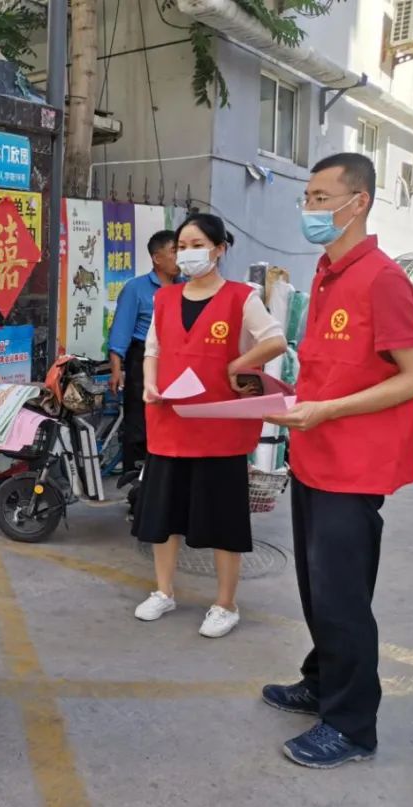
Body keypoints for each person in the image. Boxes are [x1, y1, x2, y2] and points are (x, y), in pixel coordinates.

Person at [262, 153, 413, 768]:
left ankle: (353, 725)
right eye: (306, 196)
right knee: (314, 589)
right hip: (314, 454)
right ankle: (321, 679)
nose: (309, 208)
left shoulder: (382, 278)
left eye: (319, 197)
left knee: (341, 598)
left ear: (357, 202)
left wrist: (329, 413)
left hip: (352, 467)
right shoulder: (329, 271)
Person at [132, 213, 286, 638]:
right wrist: (148, 383)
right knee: (163, 517)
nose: (187, 253)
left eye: (197, 244)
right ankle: (163, 592)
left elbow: (275, 339)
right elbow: (154, 349)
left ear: (219, 249)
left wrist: (239, 363)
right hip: (170, 421)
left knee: (223, 521)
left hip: (219, 427)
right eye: (182, 246)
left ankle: (225, 603)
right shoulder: (166, 298)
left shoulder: (241, 297)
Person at [107, 229, 180, 474]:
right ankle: (135, 490)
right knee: (139, 423)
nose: (179, 256)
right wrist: (117, 369)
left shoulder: (186, 287)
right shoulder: (136, 288)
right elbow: (121, 332)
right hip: (141, 361)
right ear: (157, 258)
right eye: (174, 251)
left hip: (176, 360)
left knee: (172, 422)